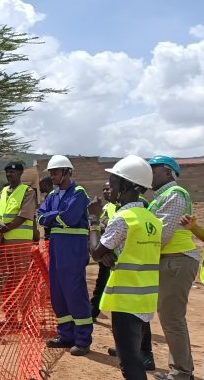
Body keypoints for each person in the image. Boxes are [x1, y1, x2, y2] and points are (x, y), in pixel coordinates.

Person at [89, 155, 161, 380]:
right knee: (135, 357)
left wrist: (93, 220)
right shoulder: (150, 219)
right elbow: (130, 252)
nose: (110, 186)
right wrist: (112, 255)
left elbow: (96, 252)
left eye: (114, 182)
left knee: (130, 364)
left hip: (126, 299)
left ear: (127, 186)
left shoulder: (123, 218)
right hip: (146, 297)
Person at [148, 156, 199, 380]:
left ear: (168, 173)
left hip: (176, 260)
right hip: (170, 261)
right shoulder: (161, 197)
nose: (150, 174)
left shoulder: (176, 194)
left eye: (154, 170)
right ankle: (180, 369)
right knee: (171, 317)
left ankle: (181, 373)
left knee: (172, 317)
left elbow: (162, 234)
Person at [37, 155, 92, 356]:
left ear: (67, 172)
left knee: (75, 292)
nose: (52, 176)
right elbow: (41, 216)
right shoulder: (52, 195)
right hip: (57, 247)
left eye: (56, 172)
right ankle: (66, 335)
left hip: (73, 248)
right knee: (58, 292)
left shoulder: (78, 193)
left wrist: (53, 216)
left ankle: (83, 340)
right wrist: (55, 216)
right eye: (51, 172)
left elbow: (70, 218)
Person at [0, 162, 37, 325]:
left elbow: (25, 214)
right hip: (4, 242)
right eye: (7, 172)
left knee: (22, 280)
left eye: (12, 171)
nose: (9, 174)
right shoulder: (3, 191)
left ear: (20, 173)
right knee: (7, 280)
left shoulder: (28, 191)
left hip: (19, 243)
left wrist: (7, 227)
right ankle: (10, 317)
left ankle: (26, 319)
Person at [89, 181, 114, 320]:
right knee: (101, 283)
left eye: (108, 188)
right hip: (104, 251)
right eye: (104, 189)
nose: (106, 191)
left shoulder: (120, 207)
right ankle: (93, 312)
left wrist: (101, 225)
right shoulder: (105, 207)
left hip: (116, 253)